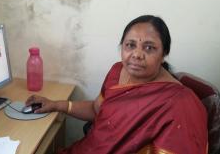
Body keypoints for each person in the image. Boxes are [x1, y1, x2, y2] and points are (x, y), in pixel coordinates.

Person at [25, 15, 208, 154]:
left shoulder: (179, 103)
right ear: (122, 47)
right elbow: (97, 110)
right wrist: (56, 105)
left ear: (164, 53)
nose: (137, 54)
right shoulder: (117, 71)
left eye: (149, 47)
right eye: (130, 45)